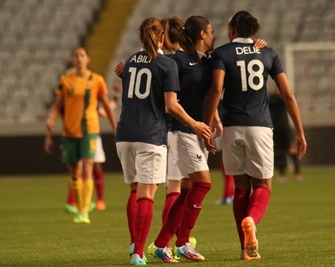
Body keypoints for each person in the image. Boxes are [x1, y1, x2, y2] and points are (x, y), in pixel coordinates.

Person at [205, 11, 307, 261]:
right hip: (260, 127)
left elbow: (217, 88)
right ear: (253, 31)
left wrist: (206, 125)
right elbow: (288, 96)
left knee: (240, 189)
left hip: (231, 127)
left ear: (231, 31)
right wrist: (300, 132)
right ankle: (252, 220)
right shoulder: (268, 53)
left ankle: (245, 250)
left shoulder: (221, 54)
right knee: (263, 186)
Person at [115, 17, 212, 266]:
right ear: (161, 38)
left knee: (134, 190)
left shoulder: (129, 63)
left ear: (140, 38)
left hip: (124, 135)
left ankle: (133, 243)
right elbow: (170, 105)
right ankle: (140, 252)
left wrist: (123, 73)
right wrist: (195, 123)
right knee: (147, 194)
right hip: (150, 135)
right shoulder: (166, 64)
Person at [44, 47, 117, 224]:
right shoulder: (65, 80)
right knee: (74, 173)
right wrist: (51, 121)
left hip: (89, 130)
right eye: (76, 56)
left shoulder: (97, 80)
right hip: (69, 131)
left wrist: (115, 126)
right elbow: (58, 105)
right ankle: (79, 206)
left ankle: (84, 211)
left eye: (82, 55)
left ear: (87, 59)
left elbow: (106, 105)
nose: (79, 58)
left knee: (87, 168)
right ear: (72, 59)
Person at [63, 81, 122, 213]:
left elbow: (108, 108)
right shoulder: (75, 105)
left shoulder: (93, 105)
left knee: (94, 166)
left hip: (93, 137)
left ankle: (99, 200)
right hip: (78, 137)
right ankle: (73, 202)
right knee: (77, 169)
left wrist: (117, 94)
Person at [268, 90, 304, 182]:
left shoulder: (282, 99)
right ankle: (282, 174)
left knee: (291, 150)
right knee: (278, 152)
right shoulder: (270, 99)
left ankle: (297, 173)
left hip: (285, 128)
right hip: (274, 128)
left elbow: (289, 97)